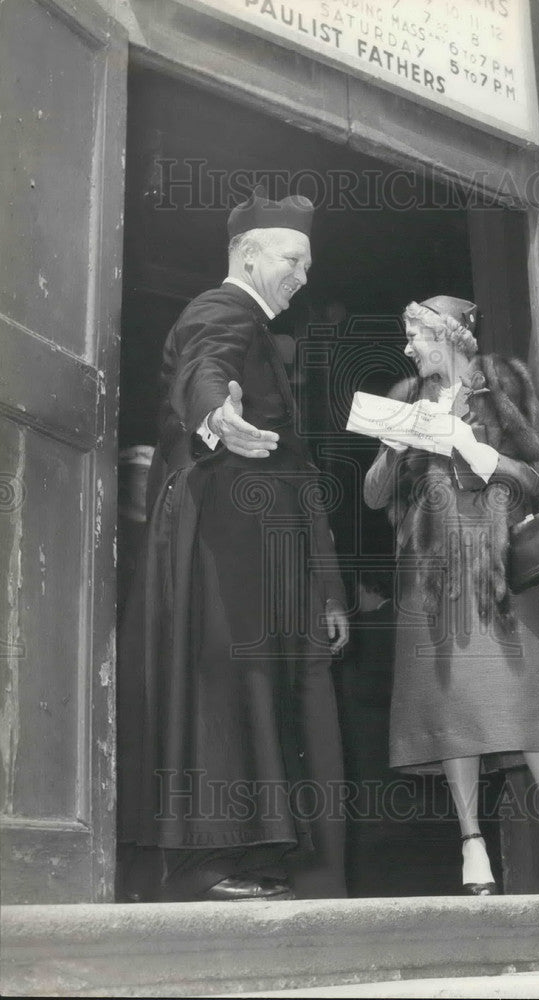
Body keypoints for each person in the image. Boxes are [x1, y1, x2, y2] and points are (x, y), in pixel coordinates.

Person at [117, 187, 349, 902]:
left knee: (252, 698)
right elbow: (203, 371)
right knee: (220, 691)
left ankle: (253, 862)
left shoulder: (257, 326)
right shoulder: (224, 310)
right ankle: (208, 864)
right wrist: (217, 416)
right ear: (248, 255)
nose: (303, 276)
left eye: (309, 264)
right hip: (220, 548)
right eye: (292, 259)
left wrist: (325, 586)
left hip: (256, 557)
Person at [363, 296, 539, 895]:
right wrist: (396, 447)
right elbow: (376, 496)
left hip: (500, 570)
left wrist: (485, 456)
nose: (408, 349)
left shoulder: (504, 385)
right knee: (452, 709)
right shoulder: (405, 398)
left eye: (416, 336)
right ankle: (471, 841)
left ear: (450, 334)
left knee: (527, 702)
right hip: (431, 580)